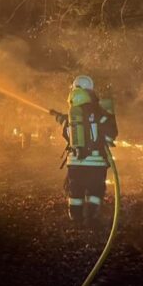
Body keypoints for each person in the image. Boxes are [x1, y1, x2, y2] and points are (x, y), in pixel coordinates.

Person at [52, 75, 118, 228]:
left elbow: (66, 135)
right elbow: (111, 133)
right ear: (91, 90)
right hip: (97, 163)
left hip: (75, 163)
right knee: (95, 191)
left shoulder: (73, 114)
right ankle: (92, 219)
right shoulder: (101, 111)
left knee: (76, 191)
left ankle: (75, 220)